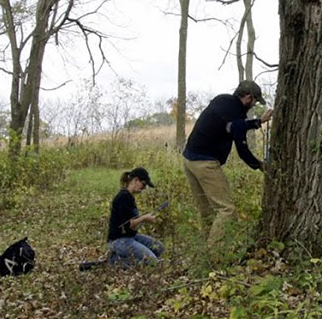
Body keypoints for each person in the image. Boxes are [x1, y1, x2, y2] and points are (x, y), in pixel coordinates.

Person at [183, 79, 273, 241]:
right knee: (227, 210)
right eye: (254, 101)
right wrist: (260, 166)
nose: (253, 105)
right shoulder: (236, 114)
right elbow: (242, 151)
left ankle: (206, 252)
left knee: (207, 212)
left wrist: (259, 122)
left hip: (189, 160)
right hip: (205, 163)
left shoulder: (222, 100)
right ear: (247, 97)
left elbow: (233, 125)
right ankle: (215, 254)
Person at [107, 167, 165, 265]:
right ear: (135, 180)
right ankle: (116, 261)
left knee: (159, 247)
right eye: (144, 184)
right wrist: (144, 218)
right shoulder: (123, 197)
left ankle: (124, 258)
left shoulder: (130, 197)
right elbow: (127, 225)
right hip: (119, 240)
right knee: (152, 261)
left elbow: (132, 223)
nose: (144, 188)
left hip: (131, 237)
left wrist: (144, 219)